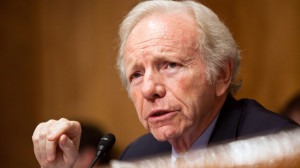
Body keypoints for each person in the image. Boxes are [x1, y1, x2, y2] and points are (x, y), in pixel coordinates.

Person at [32, 0, 298, 167]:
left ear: (221, 75)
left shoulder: (275, 146)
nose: (149, 90)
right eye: (136, 75)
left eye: (170, 65)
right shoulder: (138, 155)